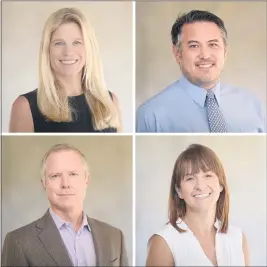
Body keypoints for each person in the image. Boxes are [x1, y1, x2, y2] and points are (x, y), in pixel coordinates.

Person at [136, 10, 266, 133]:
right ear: (177, 53)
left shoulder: (253, 105)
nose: (205, 55)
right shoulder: (151, 115)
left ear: (225, 51)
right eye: (194, 46)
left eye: (213, 44)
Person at [2, 144, 128, 266]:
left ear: (86, 180)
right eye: (55, 176)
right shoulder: (19, 241)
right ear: (44, 183)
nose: (65, 184)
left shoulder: (115, 237)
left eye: (73, 174)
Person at [9, 8, 122, 132]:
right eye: (58, 43)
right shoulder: (25, 107)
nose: (68, 52)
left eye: (77, 42)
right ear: (47, 50)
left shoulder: (110, 103)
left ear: (89, 48)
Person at [146, 144, 249, 266]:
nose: (200, 186)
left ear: (221, 185)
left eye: (208, 176)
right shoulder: (163, 242)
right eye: (190, 178)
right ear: (179, 191)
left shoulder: (238, 238)